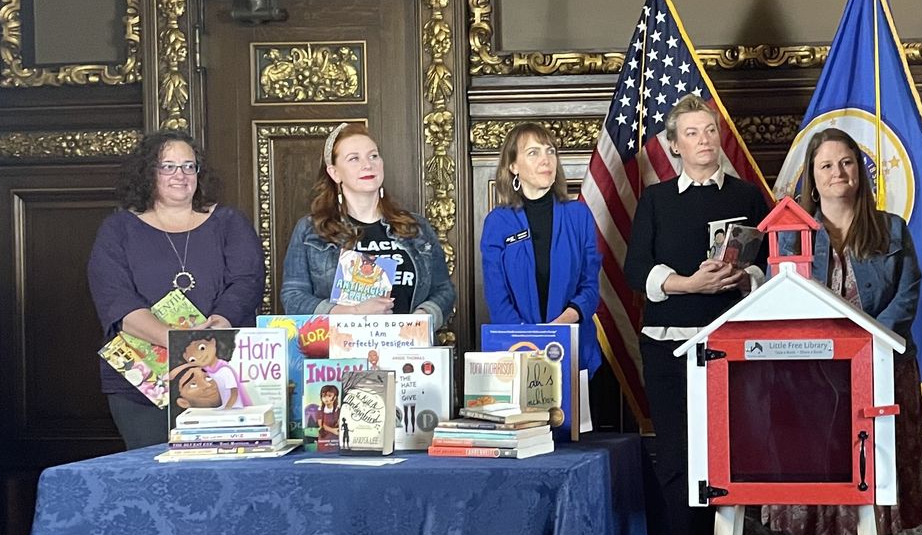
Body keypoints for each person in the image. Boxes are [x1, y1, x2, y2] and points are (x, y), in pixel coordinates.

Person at [763, 127, 922, 535]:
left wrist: (868, 341)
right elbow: (779, 301)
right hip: (813, 384)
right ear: (811, 177)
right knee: (819, 492)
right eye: (827, 165)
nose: (838, 173)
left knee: (873, 491)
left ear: (861, 172)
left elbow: (908, 295)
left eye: (848, 163)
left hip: (879, 372)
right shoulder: (792, 236)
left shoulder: (892, 231)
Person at [624, 94, 769, 535]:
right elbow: (636, 268)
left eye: (710, 130)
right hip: (666, 344)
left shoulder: (749, 196)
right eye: (692, 132)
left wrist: (740, 278)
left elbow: (770, 267)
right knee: (678, 458)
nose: (704, 139)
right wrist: (687, 282)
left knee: (723, 458)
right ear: (674, 143)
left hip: (728, 344)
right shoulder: (656, 200)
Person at [88, 130, 265, 449]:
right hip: (141, 386)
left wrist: (221, 322)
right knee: (153, 479)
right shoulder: (118, 229)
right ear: (148, 173)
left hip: (221, 373)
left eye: (188, 166)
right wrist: (172, 338)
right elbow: (115, 298)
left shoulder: (229, 222)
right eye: (167, 166)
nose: (180, 175)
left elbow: (247, 281)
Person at [281, 122, 455, 331]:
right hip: (339, 357)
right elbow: (293, 297)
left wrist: (422, 318)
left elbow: (444, 290)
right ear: (335, 173)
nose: (367, 165)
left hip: (408, 354)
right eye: (354, 158)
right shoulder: (311, 230)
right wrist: (352, 314)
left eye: (373, 156)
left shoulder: (416, 227)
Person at [478, 122, 602, 380]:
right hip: (516, 356)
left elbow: (590, 288)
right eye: (533, 153)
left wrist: (558, 329)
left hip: (575, 353)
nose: (545, 159)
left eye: (550, 151)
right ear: (513, 166)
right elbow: (497, 298)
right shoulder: (498, 222)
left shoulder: (578, 215)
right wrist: (530, 341)